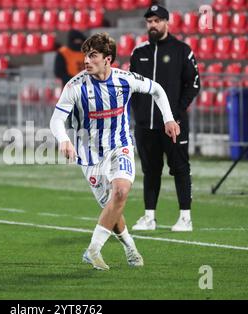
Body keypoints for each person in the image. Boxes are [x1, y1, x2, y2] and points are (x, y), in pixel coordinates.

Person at [50, 32, 180, 270]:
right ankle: (130, 247)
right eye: (85, 56)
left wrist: (169, 119)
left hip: (120, 146)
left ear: (108, 59)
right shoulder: (75, 86)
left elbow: (157, 89)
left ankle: (93, 250)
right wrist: (63, 140)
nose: (86, 61)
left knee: (120, 191)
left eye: (93, 56)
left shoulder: (125, 79)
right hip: (89, 156)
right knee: (112, 207)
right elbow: (56, 120)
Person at [129, 4, 201, 232]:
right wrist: (137, 113)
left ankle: (185, 218)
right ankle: (149, 217)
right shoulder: (138, 53)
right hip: (144, 125)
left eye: (157, 21)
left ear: (166, 22)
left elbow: (194, 84)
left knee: (180, 167)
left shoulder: (182, 50)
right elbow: (131, 86)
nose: (153, 25)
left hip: (174, 124)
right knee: (150, 170)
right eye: (149, 21)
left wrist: (177, 113)